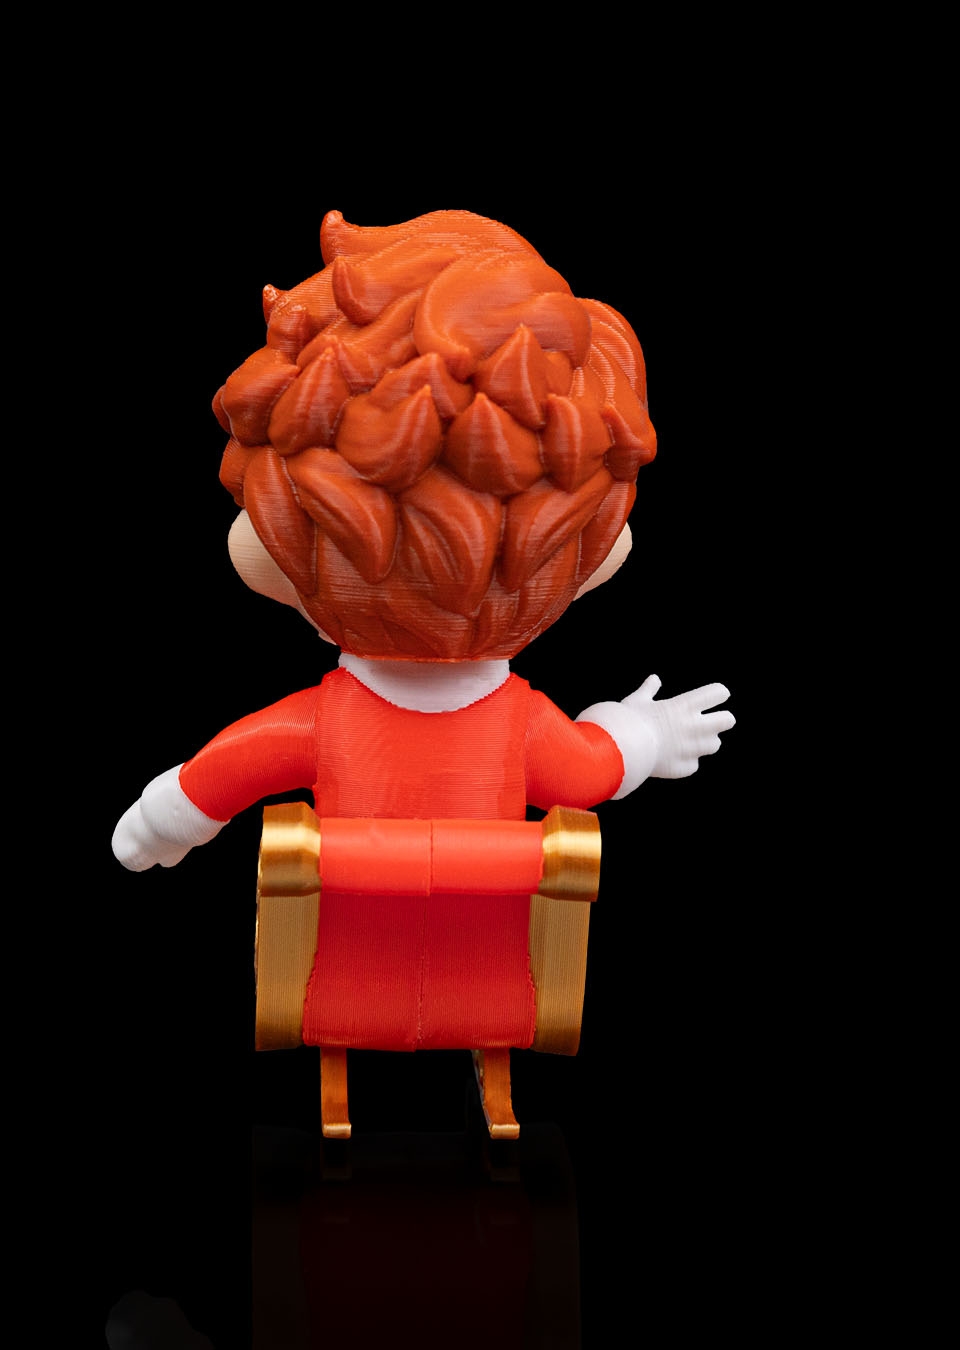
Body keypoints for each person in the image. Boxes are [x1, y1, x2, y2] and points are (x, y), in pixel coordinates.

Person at [112, 209, 733, 1118]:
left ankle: (341, 1069)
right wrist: (643, 730)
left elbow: (222, 774)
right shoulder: (524, 727)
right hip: (490, 982)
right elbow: (591, 772)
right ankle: (489, 1068)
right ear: (586, 555)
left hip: (338, 979)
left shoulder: (323, 723)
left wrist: (165, 820)